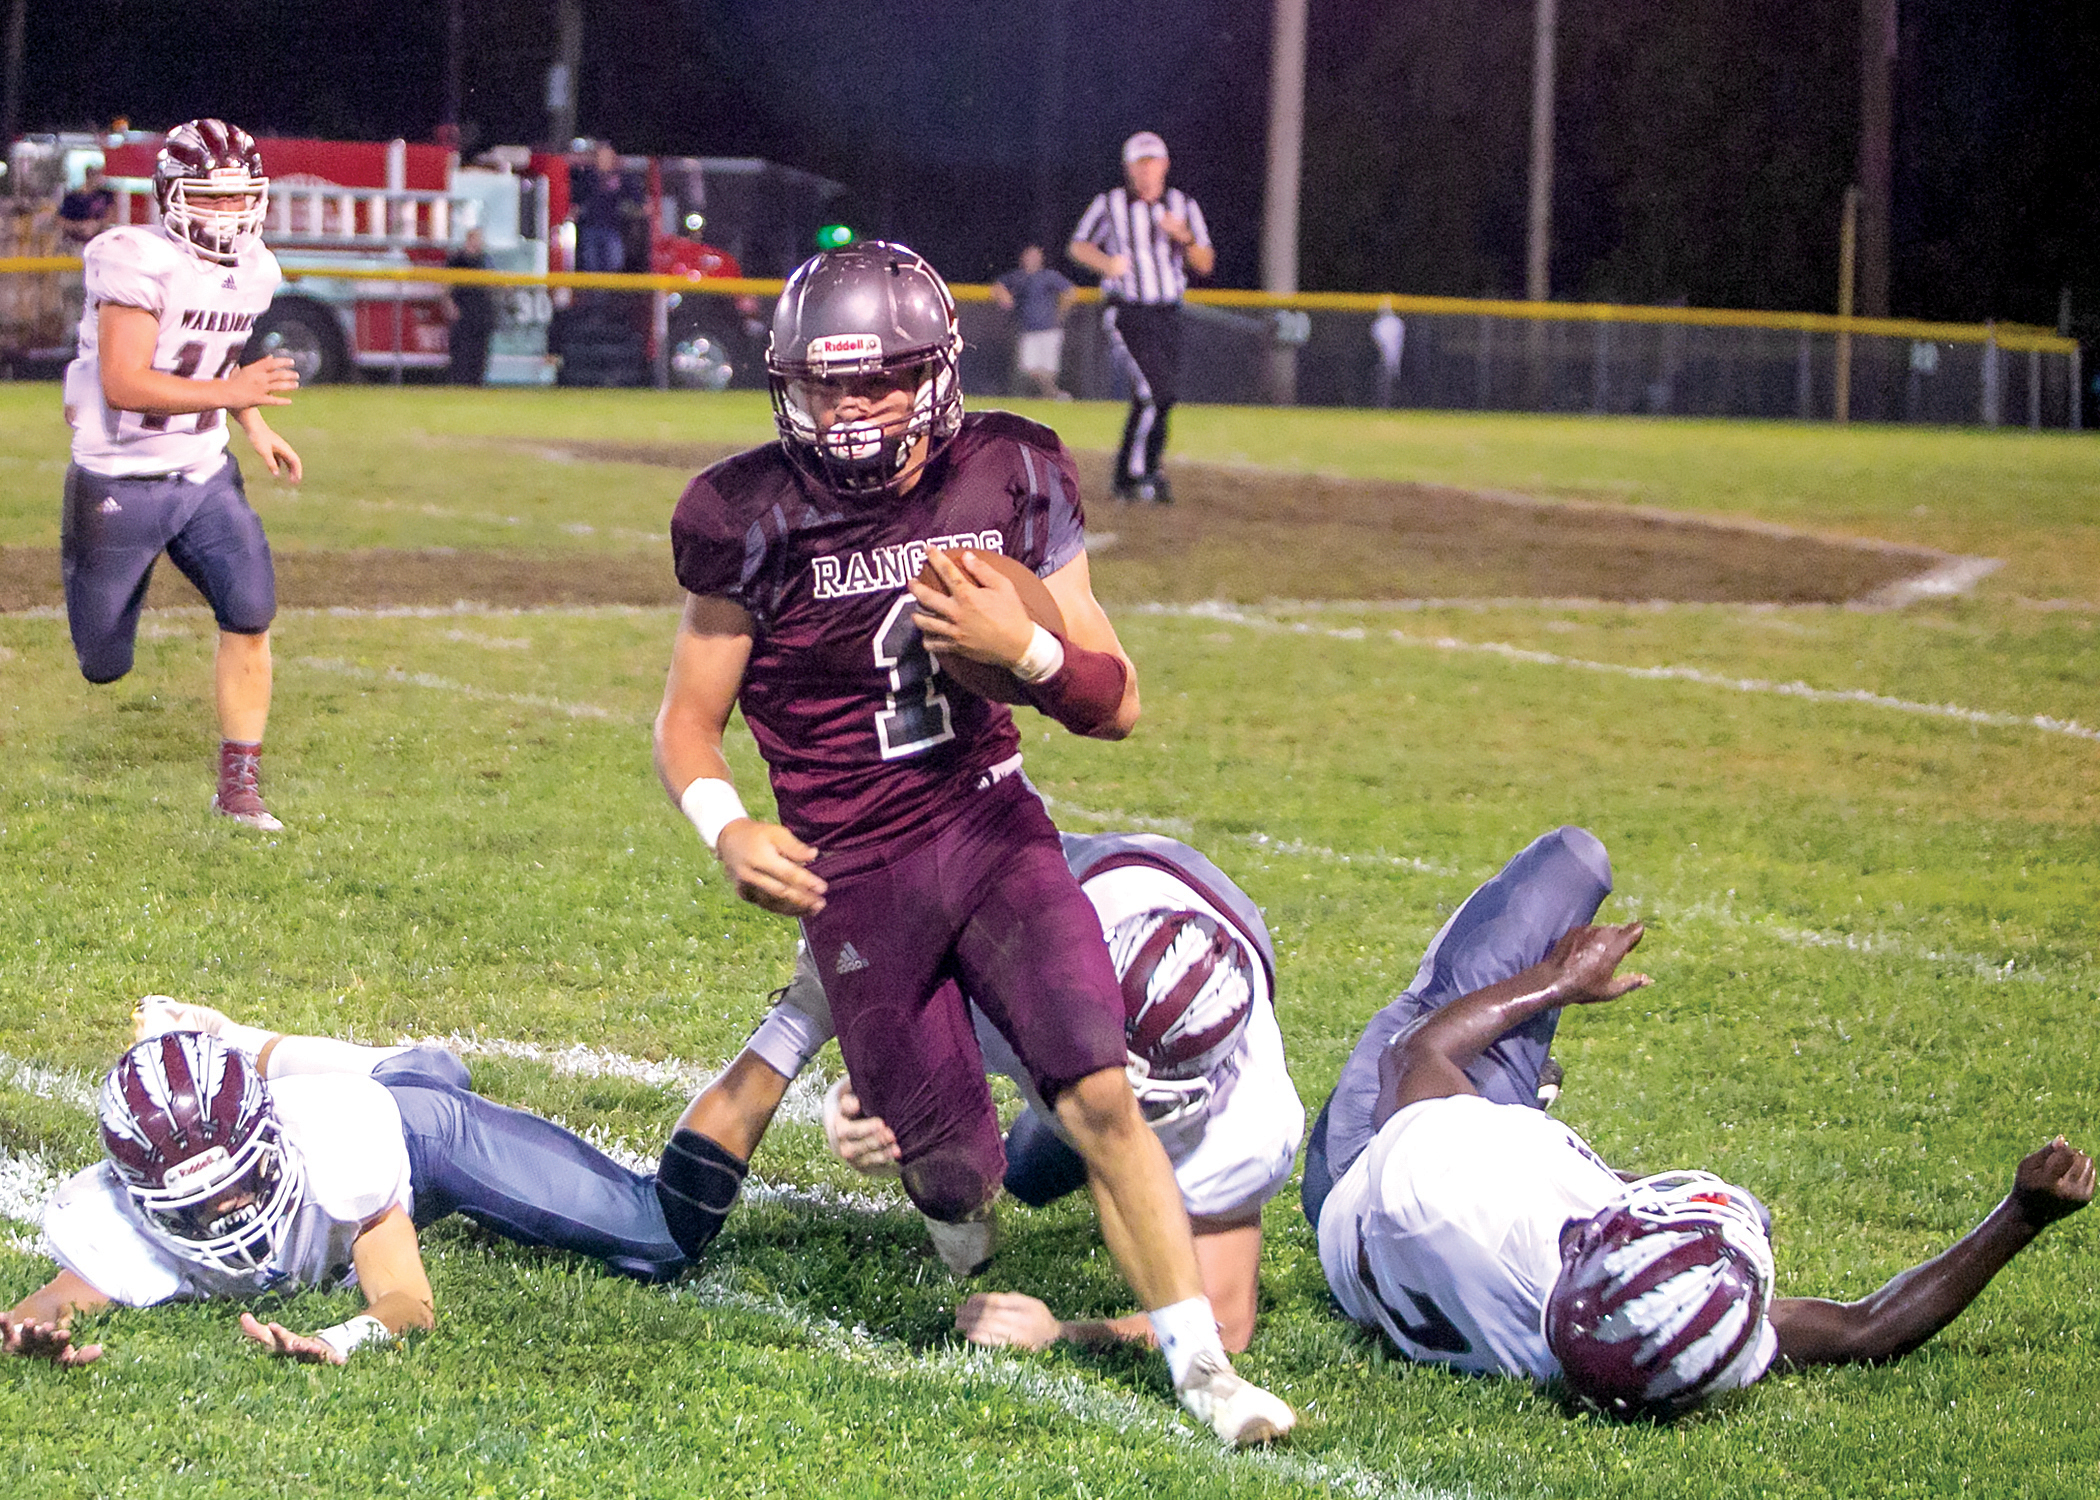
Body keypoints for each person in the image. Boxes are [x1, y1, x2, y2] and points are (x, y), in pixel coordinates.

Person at [649, 241, 1292, 1444]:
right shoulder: (745, 515)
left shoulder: (1010, 472)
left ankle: (1206, 1374)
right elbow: (688, 723)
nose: (849, 410)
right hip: (856, 873)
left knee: (1099, 1087)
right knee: (953, 1178)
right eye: (825, 384)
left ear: (936, 374)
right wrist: (726, 825)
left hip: (991, 825)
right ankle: (962, 1221)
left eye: (877, 381)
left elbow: (1115, 701)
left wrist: (1029, 652)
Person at [1307, 826, 2096, 1419]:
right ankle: (1531, 1107)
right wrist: (2021, 1216)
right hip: (1478, 1167)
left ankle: (1528, 1099)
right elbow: (1866, 1329)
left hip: (1370, 1151)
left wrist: (1555, 982)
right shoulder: (1660, 1346)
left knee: (1574, 861)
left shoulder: (1446, 1201)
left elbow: (1416, 1053)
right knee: (1747, 1217)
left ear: (1592, 1238)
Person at [684, 829, 1302, 1353]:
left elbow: (1225, 1320)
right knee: (1007, 1161)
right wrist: (861, 1108)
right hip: (1072, 890)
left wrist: (1063, 1333)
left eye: (1149, 1103)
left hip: (1205, 906)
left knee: (1060, 1161)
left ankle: (1067, 1138)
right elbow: (872, 967)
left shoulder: (1250, 1115)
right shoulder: (1007, 953)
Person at [1, 1001, 688, 1370]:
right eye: (198, 1203)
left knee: (655, 1237)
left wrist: (347, 1335)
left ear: (270, 1140)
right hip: (327, 1113)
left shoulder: (342, 1151)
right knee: (431, 1065)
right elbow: (57, 1299)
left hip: (417, 1136)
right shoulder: (124, 1224)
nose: (230, 1209)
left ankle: (246, 1041)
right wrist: (27, 1329)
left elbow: (408, 1299)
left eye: (239, 1180)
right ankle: (298, 1050)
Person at [58, 119, 304, 831]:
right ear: (171, 195)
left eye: (240, 197)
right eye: (211, 197)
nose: (229, 212)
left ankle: (239, 789)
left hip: (201, 473)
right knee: (103, 662)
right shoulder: (137, 260)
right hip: (118, 478)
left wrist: (254, 424)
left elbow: (218, 355)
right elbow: (125, 383)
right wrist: (235, 394)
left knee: (251, 610)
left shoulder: (255, 269)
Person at [1068, 132, 1212, 504]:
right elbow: (1079, 245)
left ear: (1164, 165)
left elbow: (1205, 263)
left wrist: (1184, 236)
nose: (1146, 171)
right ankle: (1139, 474)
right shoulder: (1110, 203)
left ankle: (1134, 471)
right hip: (1127, 311)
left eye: (1152, 163)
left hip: (1168, 313)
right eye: (1139, 164)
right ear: (1129, 168)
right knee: (1153, 393)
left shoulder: (1182, 205)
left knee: (1161, 396)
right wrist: (1107, 263)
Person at [991, 245, 1076, 400]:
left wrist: (1061, 312)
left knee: (1049, 368)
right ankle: (1055, 394)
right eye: (1029, 256)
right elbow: (998, 286)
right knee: (1029, 367)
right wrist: (1005, 298)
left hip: (1049, 329)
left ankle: (1051, 395)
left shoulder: (1048, 276)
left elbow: (1070, 291)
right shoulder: (1018, 277)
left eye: (1035, 256)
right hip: (1028, 329)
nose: (1031, 259)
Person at [440, 226, 498, 386]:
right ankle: (459, 383)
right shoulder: (457, 259)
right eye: (475, 239)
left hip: (482, 312)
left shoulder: (485, 259)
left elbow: (493, 282)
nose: (478, 242)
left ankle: (476, 383)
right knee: (461, 351)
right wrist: (449, 304)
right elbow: (445, 284)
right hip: (463, 310)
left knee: (479, 352)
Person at [573, 144, 632, 275]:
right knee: (590, 264)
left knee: (613, 263)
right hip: (590, 227)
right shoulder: (588, 177)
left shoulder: (621, 178)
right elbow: (579, 197)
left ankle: (611, 288)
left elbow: (632, 198)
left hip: (612, 227)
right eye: (600, 156)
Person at [56, 164, 116, 251]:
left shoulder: (105, 195)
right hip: (75, 237)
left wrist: (97, 225)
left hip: (99, 234)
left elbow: (111, 213)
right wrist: (77, 226)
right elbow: (61, 220)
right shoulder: (73, 197)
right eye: (95, 176)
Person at [1370, 299, 1405, 408]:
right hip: (1390, 357)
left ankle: (1389, 405)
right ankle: (1386, 405)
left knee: (1388, 383)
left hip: (1391, 357)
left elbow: (1379, 343)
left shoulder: (1391, 323)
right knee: (1386, 382)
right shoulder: (1385, 323)